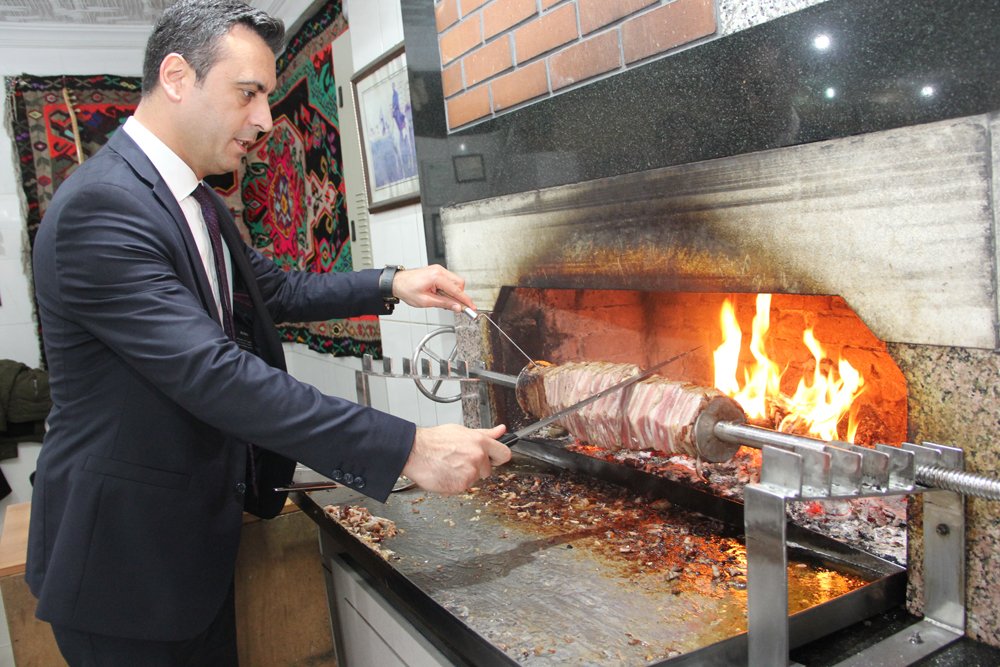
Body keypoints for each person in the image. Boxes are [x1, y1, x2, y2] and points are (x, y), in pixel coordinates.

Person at [26, 1, 511, 664]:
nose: (263, 120)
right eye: (248, 93)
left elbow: (274, 291)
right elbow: (213, 373)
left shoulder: (194, 198)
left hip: (190, 547)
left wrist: (391, 282)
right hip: (126, 565)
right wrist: (408, 447)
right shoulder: (102, 206)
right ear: (176, 77)